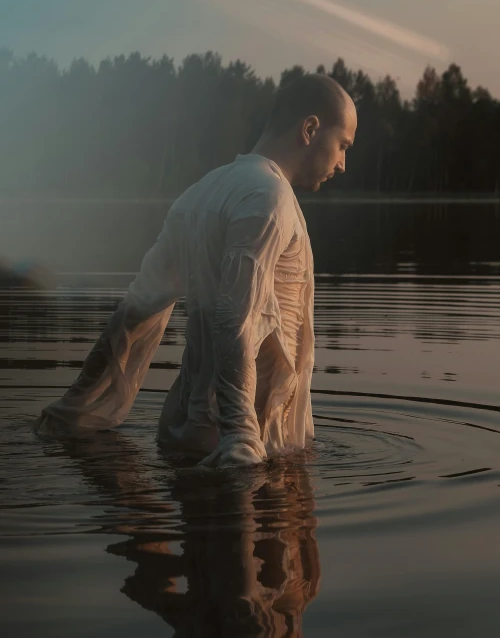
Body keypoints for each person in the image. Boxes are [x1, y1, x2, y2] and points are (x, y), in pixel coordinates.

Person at [34, 74, 357, 467]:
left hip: (183, 430)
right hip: (243, 447)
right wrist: (239, 436)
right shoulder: (269, 197)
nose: (342, 164)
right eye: (343, 145)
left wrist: (73, 407)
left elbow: (133, 314)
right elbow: (235, 319)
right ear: (310, 129)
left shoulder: (199, 193)